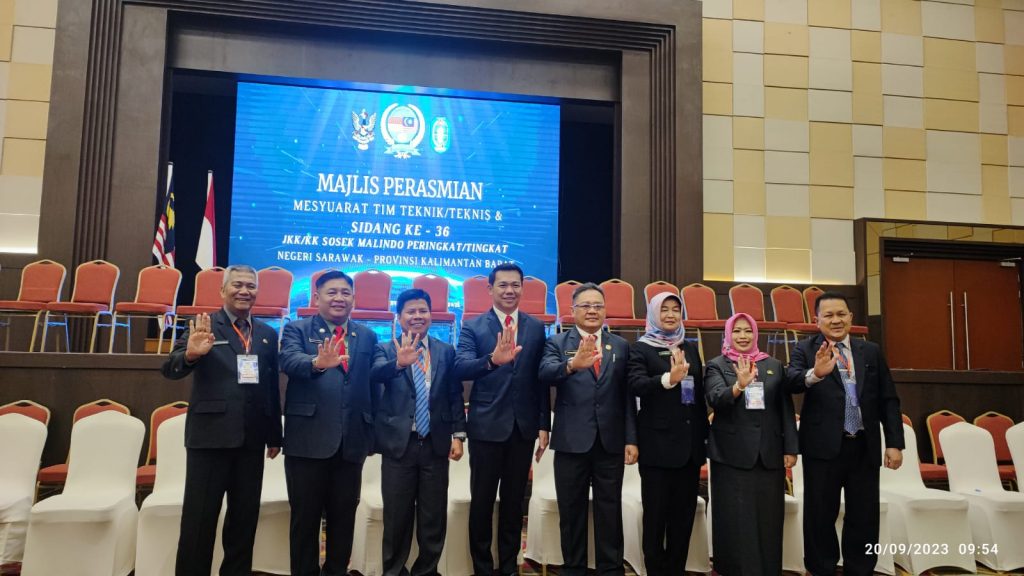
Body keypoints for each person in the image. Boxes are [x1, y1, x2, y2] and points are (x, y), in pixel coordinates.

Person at [161, 264, 282, 576]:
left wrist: (274, 434)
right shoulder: (203, 325)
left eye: (251, 286)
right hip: (209, 439)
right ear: (222, 290)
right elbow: (170, 368)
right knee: (199, 522)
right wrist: (191, 354)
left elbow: (271, 387)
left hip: (251, 442)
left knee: (244, 522)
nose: (244, 291)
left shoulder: (267, 334)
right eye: (237, 284)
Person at [787, 291, 904, 576]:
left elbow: (888, 398)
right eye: (828, 315)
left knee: (865, 516)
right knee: (819, 516)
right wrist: (815, 373)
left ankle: (860, 569)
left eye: (841, 314)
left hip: (863, 446)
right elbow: (791, 382)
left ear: (851, 317)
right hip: (822, 448)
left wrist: (894, 443)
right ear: (817, 320)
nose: (836, 320)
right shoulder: (805, 349)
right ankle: (822, 569)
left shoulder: (870, 351)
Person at [278, 269, 379, 576]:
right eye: (332, 292)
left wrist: (371, 435)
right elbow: (288, 361)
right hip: (308, 442)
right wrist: (316, 363)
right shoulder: (297, 329)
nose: (339, 298)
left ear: (353, 298)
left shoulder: (366, 335)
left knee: (343, 520)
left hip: (351, 443)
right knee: (305, 521)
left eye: (345, 292)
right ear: (316, 297)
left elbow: (373, 386)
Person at [454, 263, 550, 576]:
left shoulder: (535, 327)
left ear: (522, 288)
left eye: (515, 285)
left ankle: (509, 566)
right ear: (490, 289)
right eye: (503, 285)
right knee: (482, 502)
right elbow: (460, 367)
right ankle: (483, 567)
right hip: (486, 427)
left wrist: (543, 423)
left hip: (523, 429)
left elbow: (540, 380)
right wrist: (492, 361)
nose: (509, 291)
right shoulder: (473, 326)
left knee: (513, 503)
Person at [538, 282, 636, 576]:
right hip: (571, 441)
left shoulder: (620, 345)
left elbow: (627, 397)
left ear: (605, 310)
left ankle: (611, 569)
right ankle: (574, 568)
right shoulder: (557, 343)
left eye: (598, 306)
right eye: (586, 305)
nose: (592, 311)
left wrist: (631, 438)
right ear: (573, 310)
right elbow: (544, 374)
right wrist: (571, 365)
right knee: (571, 512)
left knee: (610, 509)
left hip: (610, 441)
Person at [371, 288, 467, 576]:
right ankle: (393, 571)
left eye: (422, 310)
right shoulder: (386, 349)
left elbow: (453, 394)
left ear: (431, 315)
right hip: (399, 445)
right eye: (410, 311)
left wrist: (458, 435)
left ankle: (427, 571)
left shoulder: (445, 350)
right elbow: (375, 374)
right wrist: (399, 363)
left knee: (433, 516)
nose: (417, 316)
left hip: (435, 444)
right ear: (399, 317)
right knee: (396, 516)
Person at [704, 312, 798, 576]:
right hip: (730, 455)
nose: (743, 336)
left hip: (769, 453)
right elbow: (716, 398)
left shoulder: (773, 365)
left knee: (769, 518)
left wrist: (790, 448)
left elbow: (785, 409)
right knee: (734, 518)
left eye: (747, 330)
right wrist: (739, 386)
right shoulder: (717, 365)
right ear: (728, 334)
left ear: (755, 333)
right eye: (737, 331)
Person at [626, 291, 706, 576]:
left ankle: (676, 570)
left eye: (675, 309)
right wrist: (667, 379)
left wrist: (704, 439)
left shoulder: (689, 347)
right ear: (653, 314)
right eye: (664, 309)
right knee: (656, 518)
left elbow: (697, 395)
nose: (671, 315)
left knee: (683, 520)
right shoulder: (640, 349)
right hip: (657, 448)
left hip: (689, 450)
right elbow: (636, 384)